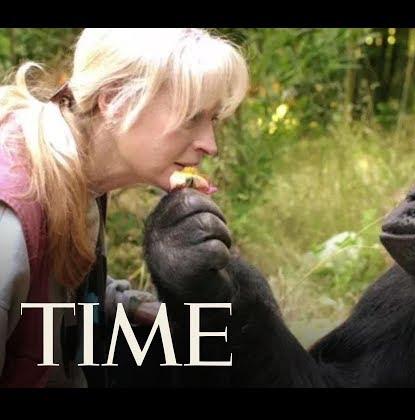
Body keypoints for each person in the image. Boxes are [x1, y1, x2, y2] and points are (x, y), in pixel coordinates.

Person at [0, 28, 249, 387]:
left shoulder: (73, 167)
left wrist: (125, 303)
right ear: (115, 101)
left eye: (213, 120)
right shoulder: (11, 215)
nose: (210, 145)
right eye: (192, 116)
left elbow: (58, 289)